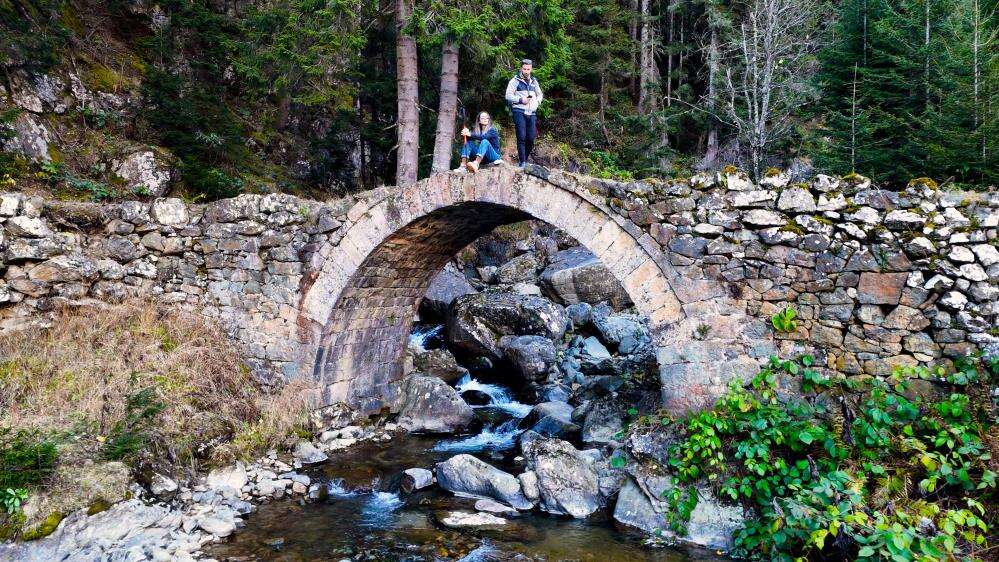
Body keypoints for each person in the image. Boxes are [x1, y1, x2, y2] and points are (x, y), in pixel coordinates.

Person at [504, 59, 543, 167]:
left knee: (531, 138)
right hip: (518, 110)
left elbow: (540, 94)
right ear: (521, 68)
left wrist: (537, 102)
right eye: (524, 69)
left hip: (532, 112)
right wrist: (521, 100)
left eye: (528, 69)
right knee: (521, 137)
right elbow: (508, 96)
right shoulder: (514, 80)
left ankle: (524, 160)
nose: (526, 71)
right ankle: (522, 162)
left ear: (531, 69)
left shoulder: (534, 81)